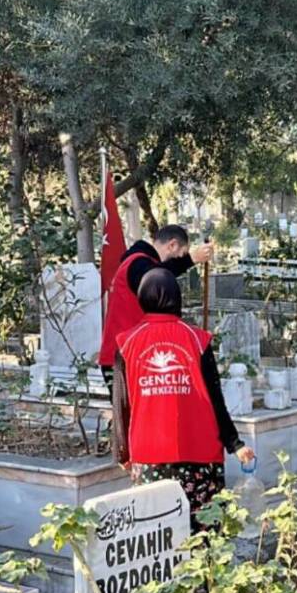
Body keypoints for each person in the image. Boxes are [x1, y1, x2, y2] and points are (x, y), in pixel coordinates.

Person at [111, 268, 254, 530]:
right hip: (200, 452)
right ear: (177, 298)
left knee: (156, 534)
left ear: (142, 298)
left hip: (149, 453)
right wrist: (235, 443)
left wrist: (121, 451)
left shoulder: (126, 343)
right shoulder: (196, 340)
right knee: (204, 535)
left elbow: (120, 404)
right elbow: (215, 398)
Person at [99, 225, 214, 391]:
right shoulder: (138, 264)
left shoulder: (142, 262)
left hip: (134, 353)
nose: (178, 259)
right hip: (124, 357)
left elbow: (159, 273)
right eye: (179, 254)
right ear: (172, 245)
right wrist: (190, 259)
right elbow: (156, 280)